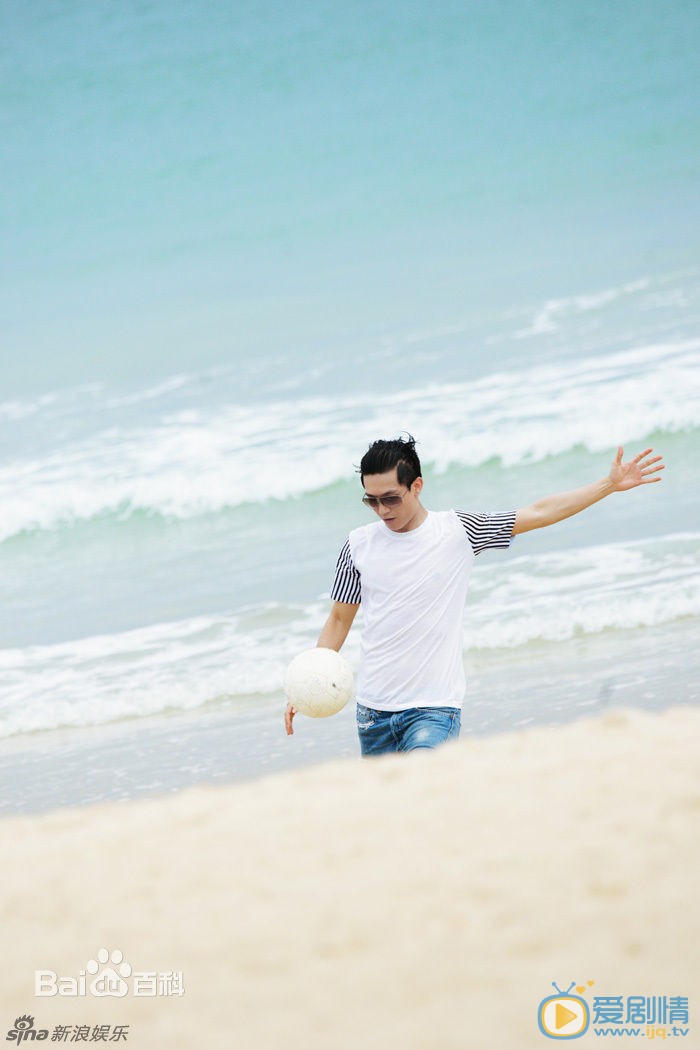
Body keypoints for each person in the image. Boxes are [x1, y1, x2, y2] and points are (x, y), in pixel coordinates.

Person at [284, 435, 664, 756]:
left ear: (417, 486)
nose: (382, 510)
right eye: (371, 501)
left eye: (391, 498)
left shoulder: (459, 531)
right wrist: (307, 682)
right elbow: (339, 620)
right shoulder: (357, 545)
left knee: (426, 787)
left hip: (434, 708)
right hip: (373, 712)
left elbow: (537, 513)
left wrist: (607, 485)